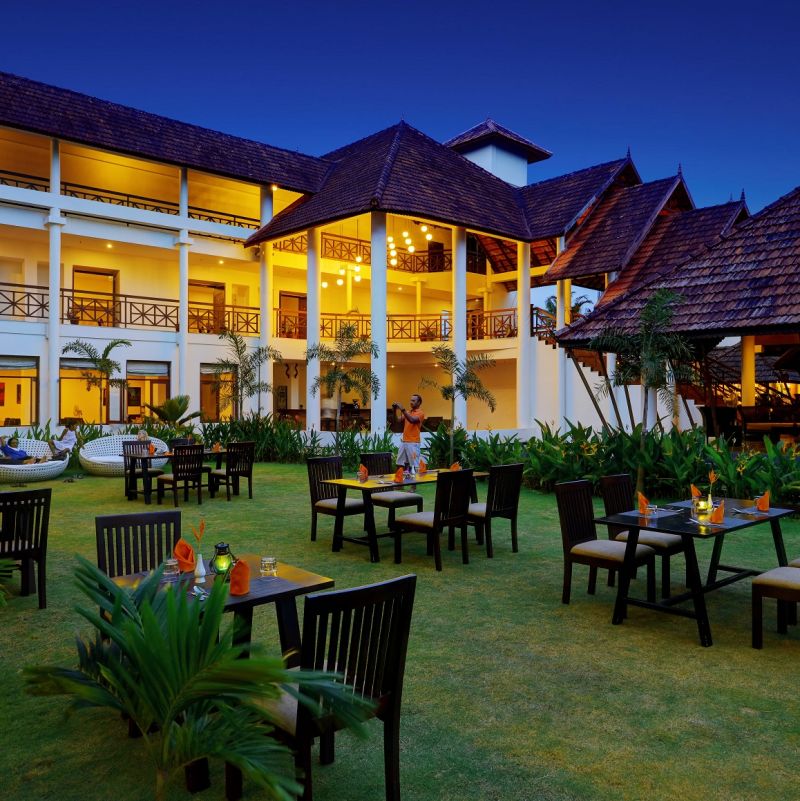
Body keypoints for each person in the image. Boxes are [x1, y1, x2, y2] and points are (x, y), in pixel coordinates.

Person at [392, 394, 425, 472]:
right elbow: (397, 420)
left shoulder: (421, 413)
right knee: (399, 464)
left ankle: (414, 484)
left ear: (419, 402)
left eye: (413, 401)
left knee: (414, 466)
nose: (411, 402)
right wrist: (394, 410)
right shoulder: (408, 412)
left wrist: (402, 410)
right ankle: (399, 482)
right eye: (411, 400)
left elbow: (412, 420)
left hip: (413, 443)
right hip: (404, 442)